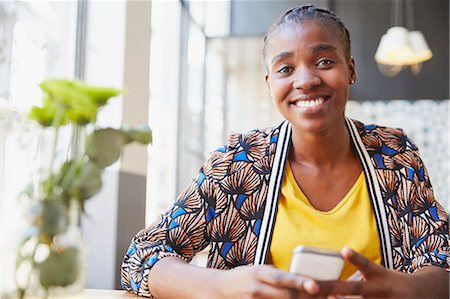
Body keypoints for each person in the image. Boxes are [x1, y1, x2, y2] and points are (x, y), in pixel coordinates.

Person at [121, 4, 449, 298]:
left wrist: (404, 288)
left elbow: (442, 262)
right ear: (269, 84)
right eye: (285, 69)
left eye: (323, 61)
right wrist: (219, 286)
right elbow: (142, 256)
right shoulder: (237, 163)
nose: (305, 80)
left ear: (351, 69)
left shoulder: (394, 155)